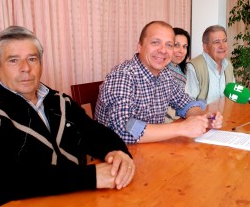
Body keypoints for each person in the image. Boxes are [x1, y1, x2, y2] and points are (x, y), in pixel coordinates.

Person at [0, 26, 135, 206]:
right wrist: (91, 177)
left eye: (32, 59)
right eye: (13, 60)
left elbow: (94, 132)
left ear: (41, 63)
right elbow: (4, 179)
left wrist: (117, 153)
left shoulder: (59, 100)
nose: (25, 68)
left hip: (82, 199)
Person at [95, 21, 223, 144]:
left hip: (151, 148)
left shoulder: (165, 74)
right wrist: (181, 128)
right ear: (139, 46)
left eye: (169, 45)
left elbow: (185, 103)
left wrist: (202, 118)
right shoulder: (122, 75)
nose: (163, 50)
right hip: (115, 154)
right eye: (155, 42)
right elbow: (123, 128)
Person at [185, 25, 235, 104]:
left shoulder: (228, 65)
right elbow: (188, 103)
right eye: (217, 42)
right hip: (203, 115)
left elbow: (233, 95)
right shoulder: (193, 67)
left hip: (226, 114)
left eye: (224, 41)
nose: (222, 46)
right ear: (206, 47)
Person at [165, 27, 190, 122]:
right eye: (176, 45)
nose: (181, 51)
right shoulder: (160, 70)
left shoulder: (184, 69)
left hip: (181, 117)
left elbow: (183, 99)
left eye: (184, 46)